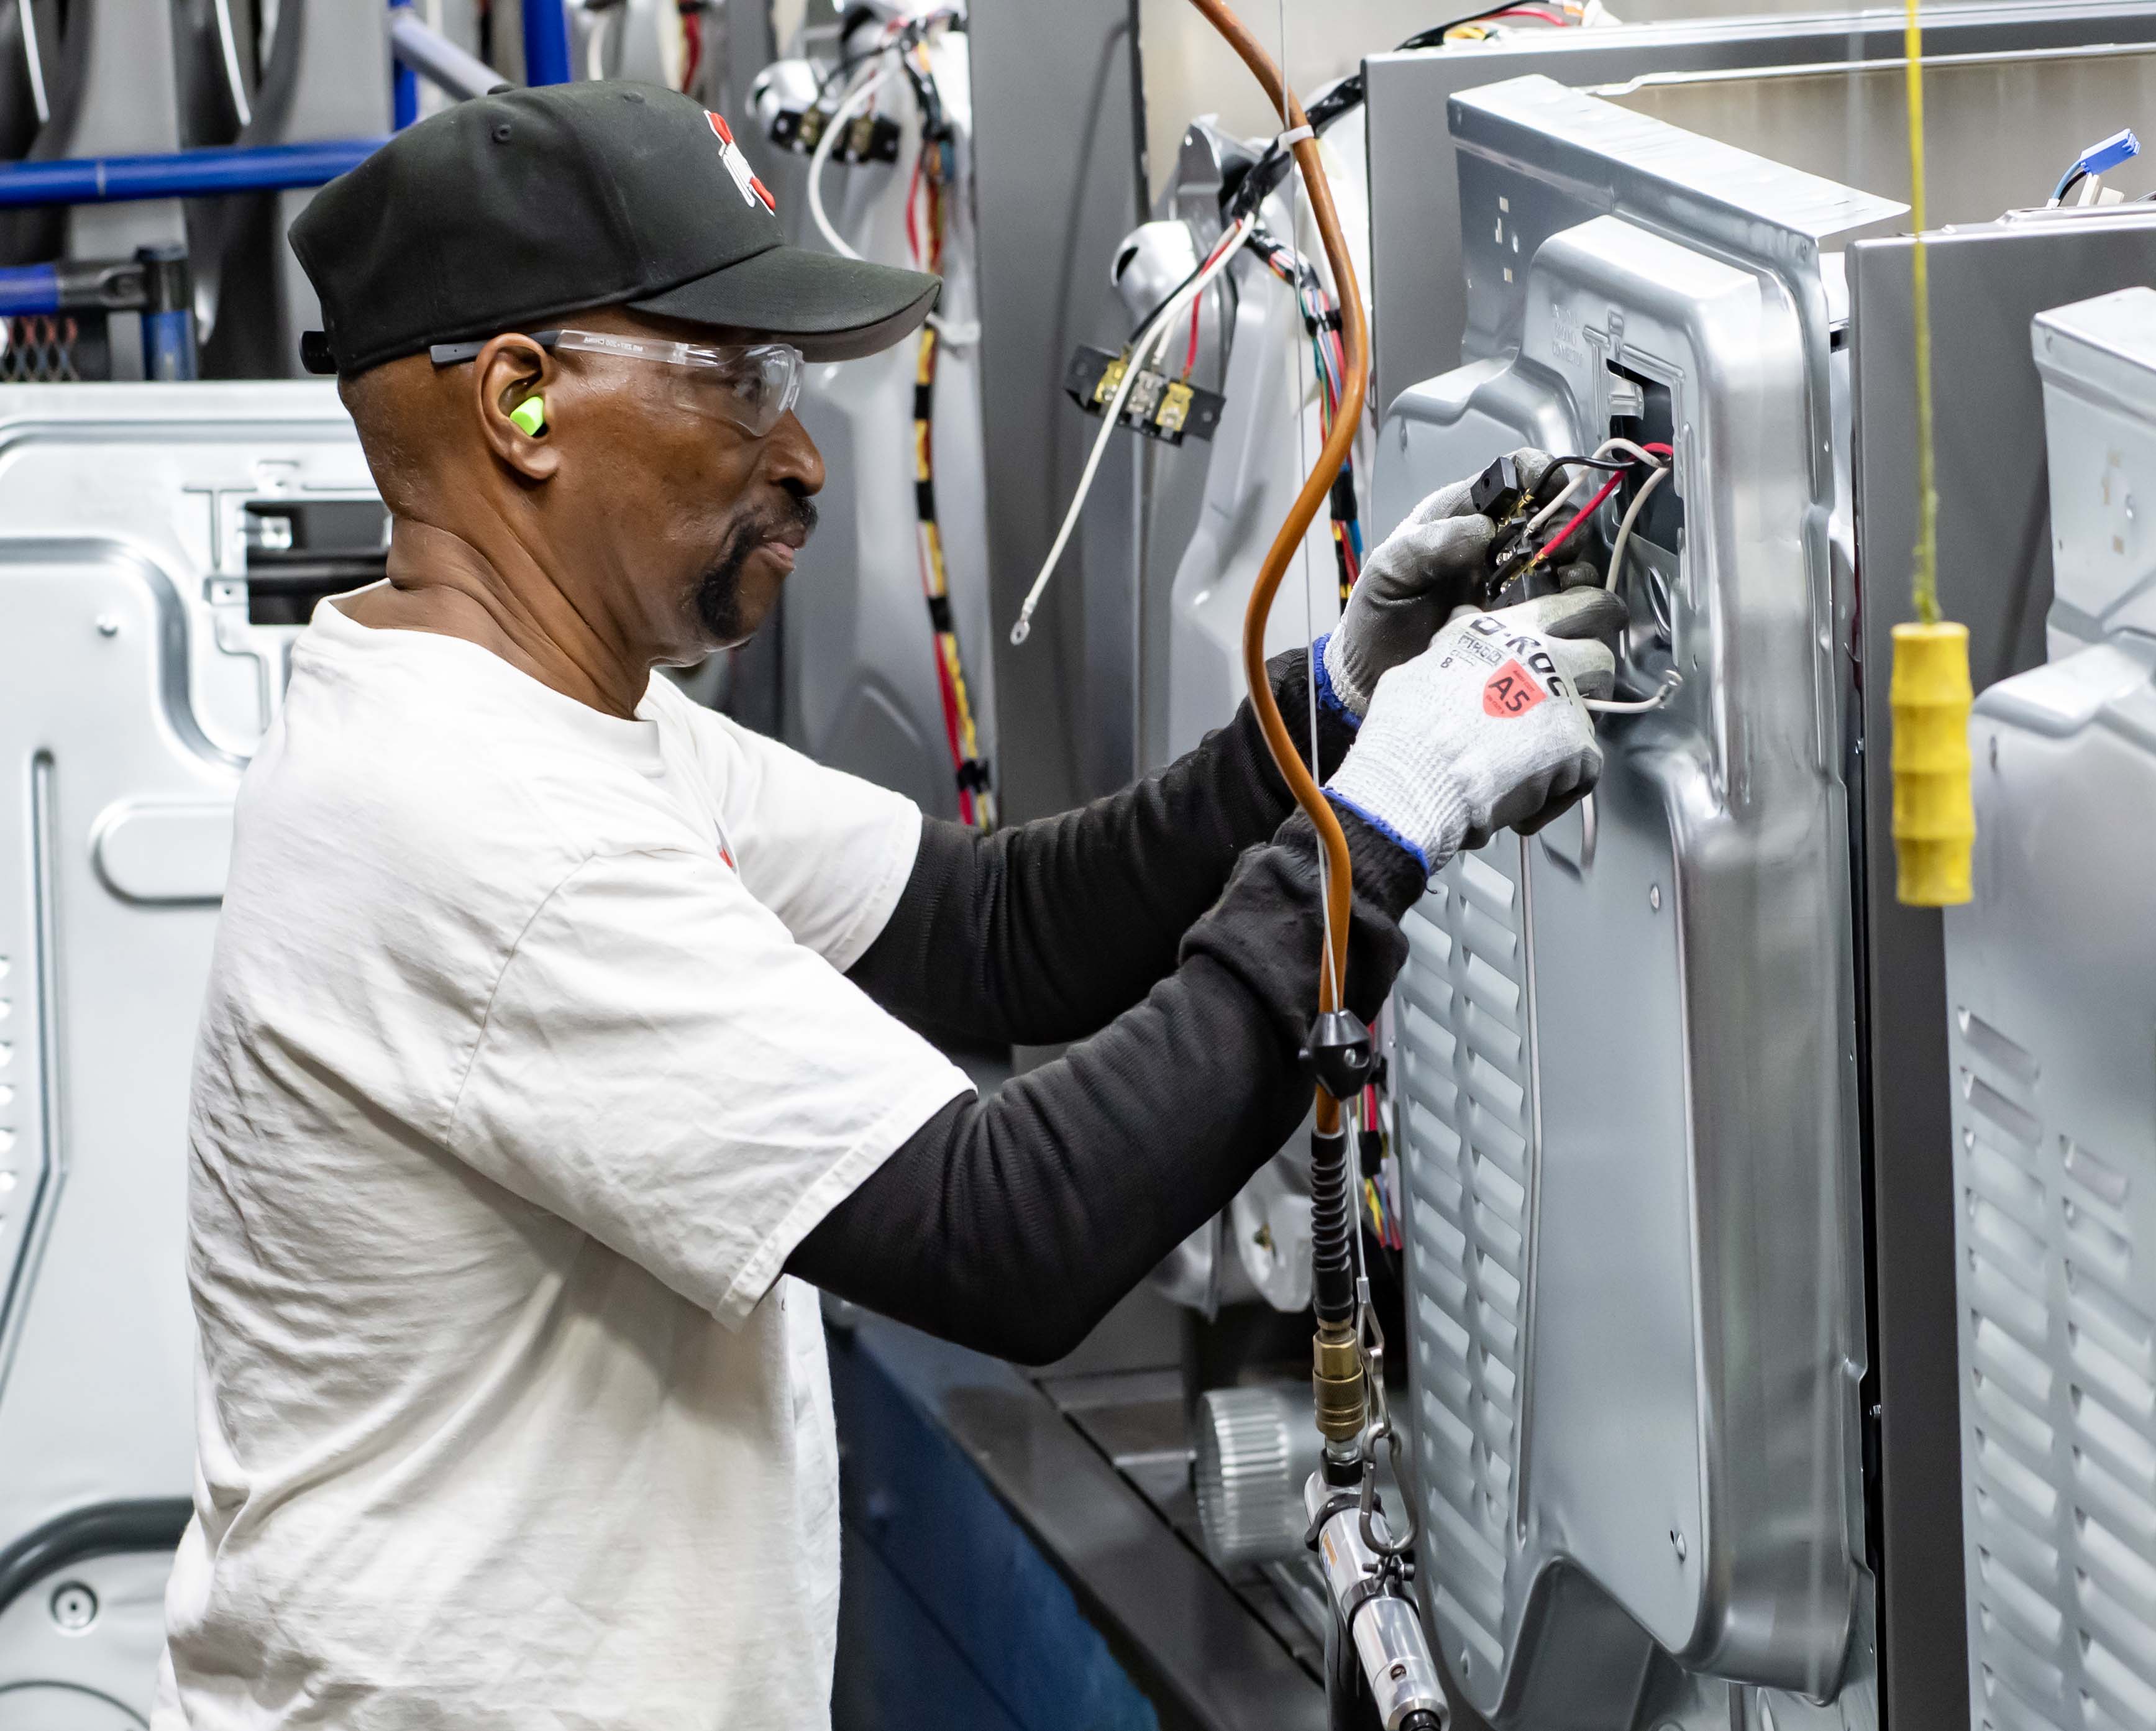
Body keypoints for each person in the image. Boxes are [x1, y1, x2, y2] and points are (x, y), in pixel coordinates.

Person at [157, 81, 1621, 1729]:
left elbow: (993, 928)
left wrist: (1334, 709)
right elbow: (1013, 1233)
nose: (800, 457)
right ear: (522, 403)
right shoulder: (478, 821)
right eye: (737, 382)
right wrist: (1380, 831)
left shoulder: (566, 718)